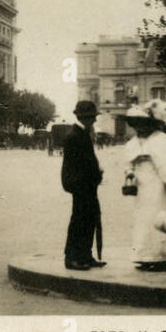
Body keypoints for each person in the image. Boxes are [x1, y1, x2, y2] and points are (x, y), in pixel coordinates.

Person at [120, 102, 166, 271]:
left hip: (159, 185)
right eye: (136, 124)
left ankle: (163, 256)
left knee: (159, 217)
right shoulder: (133, 143)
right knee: (143, 220)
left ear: (152, 124)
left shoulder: (163, 140)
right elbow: (128, 162)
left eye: (143, 123)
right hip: (142, 186)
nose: (139, 128)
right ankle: (144, 256)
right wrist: (129, 172)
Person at [62, 100, 105, 270]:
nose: (94, 120)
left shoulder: (82, 133)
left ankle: (85, 255)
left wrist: (96, 174)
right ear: (84, 118)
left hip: (87, 185)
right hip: (81, 186)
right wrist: (94, 175)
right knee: (79, 221)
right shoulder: (74, 136)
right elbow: (76, 166)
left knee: (89, 220)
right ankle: (72, 258)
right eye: (92, 117)